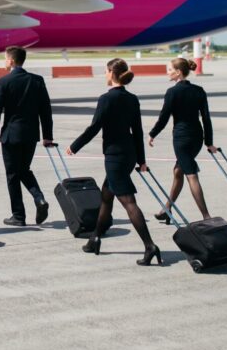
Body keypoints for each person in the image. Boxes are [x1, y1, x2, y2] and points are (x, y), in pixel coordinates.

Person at [66, 58, 161, 265]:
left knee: (128, 202)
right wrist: (141, 160)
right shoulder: (132, 99)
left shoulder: (106, 99)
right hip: (129, 155)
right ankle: (95, 239)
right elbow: (137, 131)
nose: (105, 75)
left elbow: (94, 127)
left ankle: (149, 246)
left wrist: (75, 146)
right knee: (106, 196)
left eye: (106, 72)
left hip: (115, 157)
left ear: (111, 73)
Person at [0, 46, 53, 227]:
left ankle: (18, 215)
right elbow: (46, 111)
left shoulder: (4, 82)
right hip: (31, 135)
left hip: (11, 136)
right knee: (24, 170)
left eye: (5, 59)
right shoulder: (37, 80)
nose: (5, 61)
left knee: (13, 175)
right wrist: (48, 136)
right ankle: (39, 199)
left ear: (12, 61)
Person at [148, 57, 216, 223]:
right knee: (178, 171)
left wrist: (152, 133)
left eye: (170, 69)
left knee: (191, 175)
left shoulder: (172, 92)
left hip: (181, 139)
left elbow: (164, 117)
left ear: (178, 72)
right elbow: (206, 118)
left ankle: (206, 216)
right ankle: (167, 209)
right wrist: (208, 142)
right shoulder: (199, 90)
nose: (168, 72)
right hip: (197, 138)